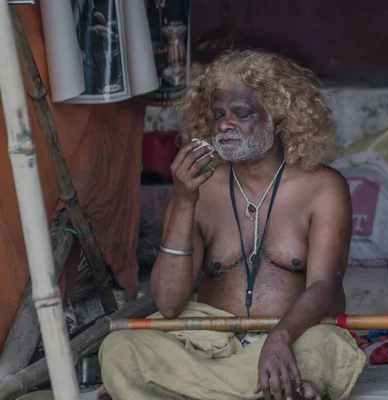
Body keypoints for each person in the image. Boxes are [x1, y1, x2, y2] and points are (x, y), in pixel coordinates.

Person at [98, 50, 366, 400]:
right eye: (218, 115)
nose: (224, 125)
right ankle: (270, 391)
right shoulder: (198, 187)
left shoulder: (323, 187)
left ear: (280, 120)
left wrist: (281, 337)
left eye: (241, 113)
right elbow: (167, 303)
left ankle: (190, 390)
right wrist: (183, 202)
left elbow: (323, 287)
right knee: (120, 347)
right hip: (209, 340)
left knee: (322, 351)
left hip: (296, 335)